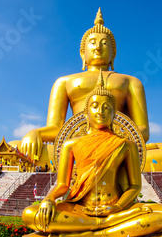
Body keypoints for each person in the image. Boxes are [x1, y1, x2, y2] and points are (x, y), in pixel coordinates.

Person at [22, 74, 162, 237]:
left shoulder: (126, 144)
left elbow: (134, 186)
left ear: (114, 114)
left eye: (107, 107)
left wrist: (116, 208)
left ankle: (91, 232)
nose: (101, 111)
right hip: (80, 208)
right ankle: (107, 226)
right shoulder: (71, 144)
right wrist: (49, 199)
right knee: (30, 214)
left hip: (116, 208)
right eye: (95, 106)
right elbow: (62, 185)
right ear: (86, 112)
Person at [9, 9, 149, 165]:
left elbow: (143, 130)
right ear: (82, 54)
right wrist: (36, 133)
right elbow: (56, 128)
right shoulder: (64, 82)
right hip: (76, 145)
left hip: (116, 147)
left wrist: (110, 137)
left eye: (104, 43)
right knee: (15, 147)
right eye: (93, 43)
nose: (98, 47)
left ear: (113, 54)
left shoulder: (130, 82)